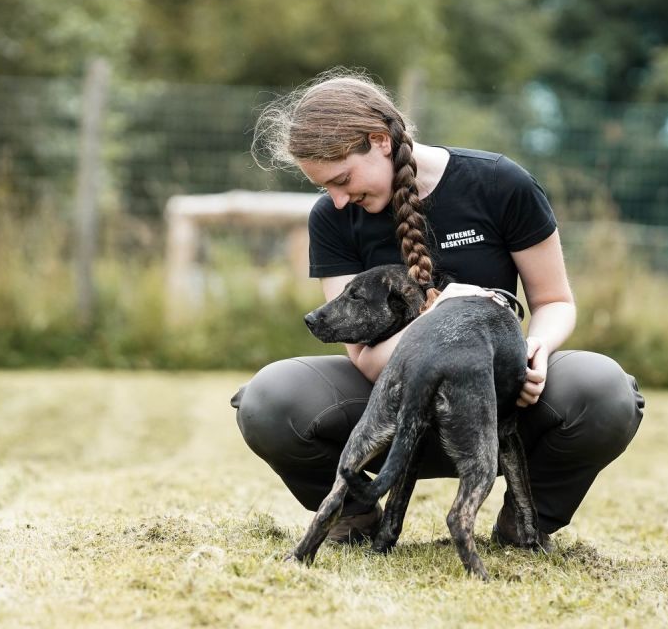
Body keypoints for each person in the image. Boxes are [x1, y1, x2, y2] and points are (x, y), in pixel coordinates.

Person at [232, 70, 645, 548]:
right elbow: (364, 358)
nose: (339, 200)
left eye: (343, 179)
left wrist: (536, 349)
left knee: (606, 389)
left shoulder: (499, 183)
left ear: (380, 141)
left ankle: (526, 521)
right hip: (388, 409)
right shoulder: (333, 218)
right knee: (268, 400)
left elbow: (554, 301)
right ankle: (354, 516)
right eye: (326, 188)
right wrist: (442, 317)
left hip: (498, 404)